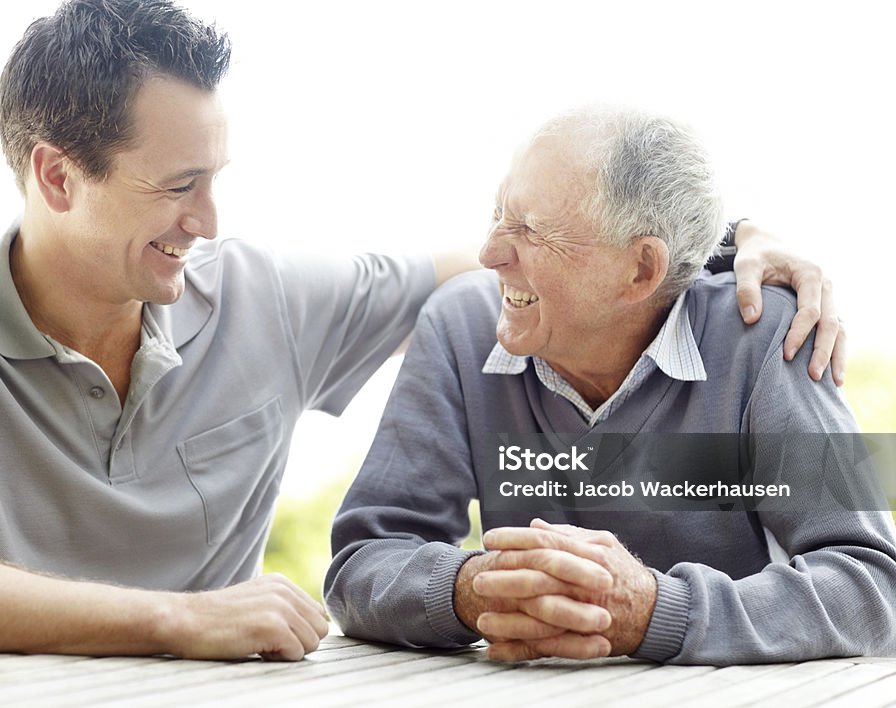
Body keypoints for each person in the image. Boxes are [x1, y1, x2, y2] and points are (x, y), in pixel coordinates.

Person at [0, 0, 843, 662]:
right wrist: (174, 618)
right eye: (177, 187)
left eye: (215, 180)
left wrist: (724, 240)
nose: (210, 222)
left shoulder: (269, 297)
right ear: (54, 176)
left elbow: (523, 263)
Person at [325, 106, 896, 665]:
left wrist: (658, 611)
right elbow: (362, 562)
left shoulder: (767, 336)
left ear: (643, 270)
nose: (489, 253)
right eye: (498, 214)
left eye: (531, 230)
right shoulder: (461, 327)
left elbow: (872, 588)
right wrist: (476, 586)